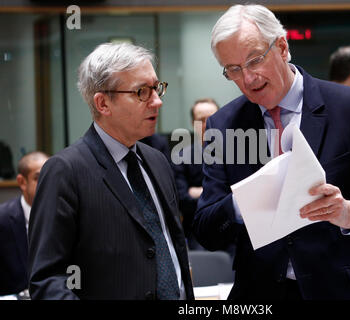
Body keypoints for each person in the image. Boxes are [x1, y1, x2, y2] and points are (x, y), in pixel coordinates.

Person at [193, 4, 350, 300]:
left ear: (283, 47)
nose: (247, 79)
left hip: (342, 291)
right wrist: (243, 203)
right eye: (233, 70)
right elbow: (206, 229)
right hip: (260, 294)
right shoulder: (223, 125)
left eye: (254, 61)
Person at [28, 42, 194, 300]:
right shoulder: (65, 171)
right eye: (142, 92)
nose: (157, 101)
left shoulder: (158, 162)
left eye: (157, 88)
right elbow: (48, 280)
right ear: (103, 103)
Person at [172, 98, 219, 250]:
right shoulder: (180, 157)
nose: (207, 124)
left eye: (212, 118)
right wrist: (222, 195)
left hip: (234, 234)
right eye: (201, 120)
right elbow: (182, 201)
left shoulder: (238, 155)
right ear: (193, 123)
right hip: (196, 235)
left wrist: (199, 192)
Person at [0, 151, 48, 296]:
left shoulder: (67, 213)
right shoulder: (3, 220)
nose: (47, 183)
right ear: (22, 182)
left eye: (50, 176)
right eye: (39, 178)